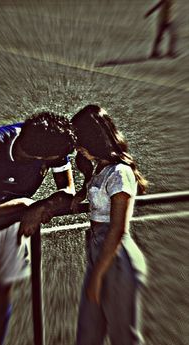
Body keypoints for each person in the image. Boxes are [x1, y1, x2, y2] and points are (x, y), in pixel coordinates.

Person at [0, 111, 76, 345]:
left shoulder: (51, 144)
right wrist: (23, 204)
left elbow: (68, 190)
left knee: (4, 291)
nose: (64, 158)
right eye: (59, 156)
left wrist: (40, 207)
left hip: (15, 226)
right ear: (41, 155)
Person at [71, 105, 148, 345]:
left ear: (93, 139)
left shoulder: (120, 172)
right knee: (88, 334)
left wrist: (97, 276)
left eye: (80, 140)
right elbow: (98, 196)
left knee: (123, 337)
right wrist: (81, 193)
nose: (77, 147)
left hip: (115, 259)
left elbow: (117, 229)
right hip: (100, 254)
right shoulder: (102, 168)